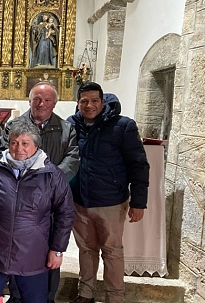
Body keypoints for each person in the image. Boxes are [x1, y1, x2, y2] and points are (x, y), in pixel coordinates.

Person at [0, 119, 75, 303]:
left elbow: (65, 213)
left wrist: (57, 249)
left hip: (33, 254)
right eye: (14, 143)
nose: (19, 149)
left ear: (36, 145)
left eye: (25, 143)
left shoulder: (51, 174)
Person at [67, 82, 150, 303]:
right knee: (86, 249)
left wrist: (139, 202)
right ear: (78, 103)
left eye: (94, 100)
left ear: (103, 102)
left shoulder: (123, 126)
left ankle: (115, 297)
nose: (89, 105)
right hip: (79, 199)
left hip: (111, 201)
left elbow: (138, 164)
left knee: (112, 251)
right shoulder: (71, 125)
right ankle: (85, 293)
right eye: (84, 101)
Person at [1, 81, 79, 303]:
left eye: (46, 100)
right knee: (18, 250)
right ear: (29, 101)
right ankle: (16, 296)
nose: (41, 104)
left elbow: (72, 160)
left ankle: (48, 296)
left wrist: (50, 184)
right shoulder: (14, 124)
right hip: (20, 201)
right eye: (36, 99)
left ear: (55, 103)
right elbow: (4, 153)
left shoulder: (67, 129)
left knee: (49, 252)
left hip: (52, 203)